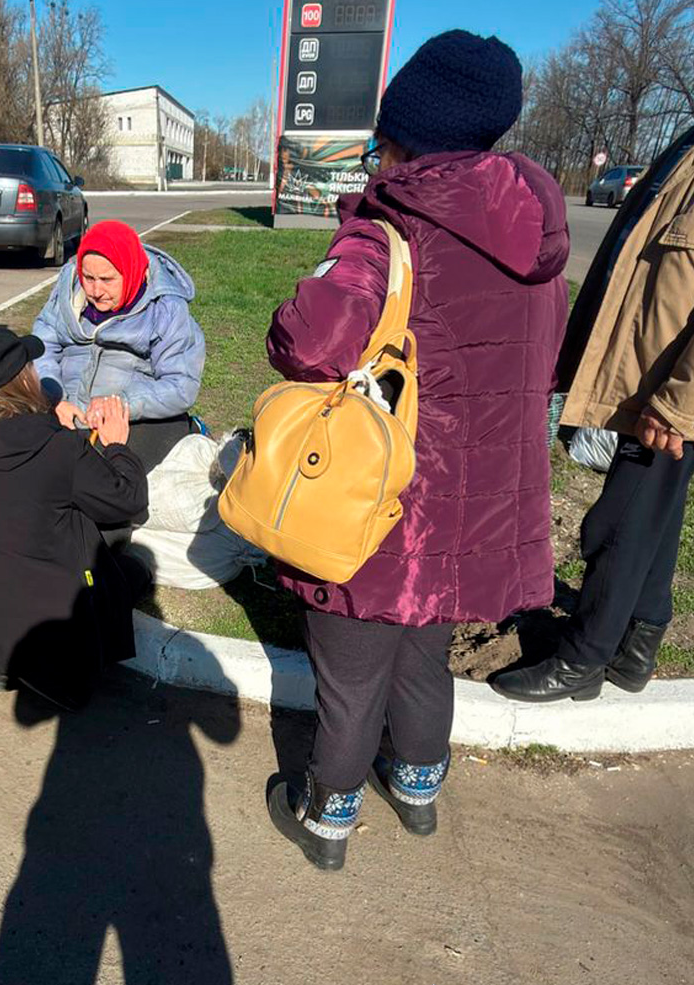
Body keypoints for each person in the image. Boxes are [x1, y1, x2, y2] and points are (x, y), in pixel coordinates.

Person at [262, 31, 570, 869]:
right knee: (424, 663)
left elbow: (310, 344)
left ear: (402, 132)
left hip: (381, 500)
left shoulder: (388, 227)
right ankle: (421, 790)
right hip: (474, 512)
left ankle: (327, 818)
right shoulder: (539, 241)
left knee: (352, 676)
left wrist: (309, 288)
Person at [492, 125, 694, 704]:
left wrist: (679, 402)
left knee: (617, 522)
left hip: (667, 391)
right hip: (650, 376)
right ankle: (636, 647)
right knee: (655, 515)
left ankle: (582, 659)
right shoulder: (687, 144)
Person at [0, 327, 150, 709]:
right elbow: (127, 501)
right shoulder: (57, 446)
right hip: (49, 630)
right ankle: (55, 674)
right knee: (131, 567)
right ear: (23, 379)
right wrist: (116, 446)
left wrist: (48, 414)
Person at [32, 219, 205, 473]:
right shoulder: (69, 289)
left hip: (123, 422)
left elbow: (182, 385)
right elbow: (41, 346)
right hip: (63, 413)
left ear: (130, 270)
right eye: (88, 277)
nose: (96, 290)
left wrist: (120, 404)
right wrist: (53, 397)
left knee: (106, 487)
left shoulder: (166, 309)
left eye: (107, 279)